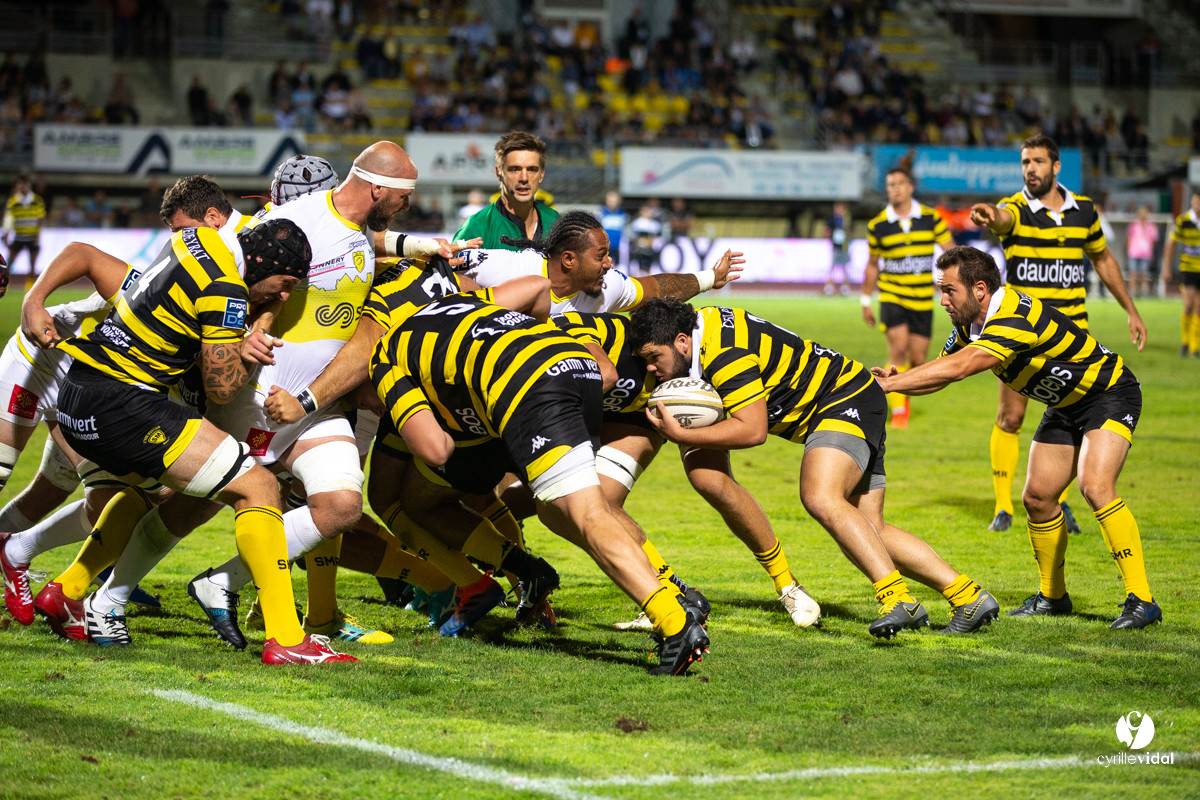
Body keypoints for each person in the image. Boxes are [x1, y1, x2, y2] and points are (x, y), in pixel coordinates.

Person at [15, 213, 358, 663]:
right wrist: (249, 343)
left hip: (80, 391)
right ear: (268, 267)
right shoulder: (227, 290)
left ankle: (68, 591)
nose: (284, 294)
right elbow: (223, 386)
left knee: (155, 492)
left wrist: (34, 298)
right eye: (285, 283)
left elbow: (111, 271)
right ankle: (287, 639)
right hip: (125, 403)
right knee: (259, 486)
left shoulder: (196, 240)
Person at [186, 142, 480, 650]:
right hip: (256, 396)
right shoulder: (290, 223)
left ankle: (229, 586)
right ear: (378, 188)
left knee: (341, 504)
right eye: (404, 194)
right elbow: (228, 280)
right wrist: (238, 334)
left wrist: (420, 247)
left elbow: (369, 242)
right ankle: (93, 588)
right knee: (182, 505)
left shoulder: (358, 230)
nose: (408, 203)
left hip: (316, 402)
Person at [371, 293, 711, 675]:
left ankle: (675, 621)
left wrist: (417, 416)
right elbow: (532, 289)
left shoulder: (384, 354)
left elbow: (435, 450)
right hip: (574, 369)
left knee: (588, 515)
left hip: (528, 388)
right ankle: (659, 596)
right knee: (555, 511)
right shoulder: (454, 301)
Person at [628, 297, 1000, 638]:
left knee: (820, 496)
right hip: (851, 394)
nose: (650, 367)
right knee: (872, 530)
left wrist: (679, 433)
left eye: (653, 357)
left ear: (681, 341)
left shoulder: (724, 351)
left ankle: (897, 599)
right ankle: (968, 596)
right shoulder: (703, 332)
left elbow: (753, 430)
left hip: (842, 398)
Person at [874, 246, 1160, 630]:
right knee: (1038, 498)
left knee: (1095, 485)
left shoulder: (1015, 317)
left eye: (948, 291)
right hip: (1065, 404)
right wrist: (897, 381)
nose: (942, 300)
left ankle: (1142, 600)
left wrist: (892, 387)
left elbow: (961, 368)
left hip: (1108, 393)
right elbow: (942, 369)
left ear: (979, 289)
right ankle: (1053, 597)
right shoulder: (969, 323)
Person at [553, 310, 817, 631]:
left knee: (710, 481)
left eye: (653, 357)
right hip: (632, 411)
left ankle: (788, 586)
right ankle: (671, 594)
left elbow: (648, 291)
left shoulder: (573, 323)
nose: (648, 364)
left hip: (676, 400)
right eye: (644, 357)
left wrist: (708, 277)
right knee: (596, 504)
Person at [969, 134, 1146, 533]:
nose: (1030, 169)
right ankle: (1003, 508)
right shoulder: (1015, 208)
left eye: (1037, 161)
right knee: (1011, 417)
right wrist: (988, 215)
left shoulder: (1083, 210)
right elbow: (1001, 217)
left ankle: (1060, 503)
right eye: (1024, 162)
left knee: (1071, 418)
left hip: (1072, 343)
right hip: (1018, 339)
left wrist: (1131, 310)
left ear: (1056, 166)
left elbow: (1102, 258)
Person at [457, 209, 743, 315]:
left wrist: (708, 279)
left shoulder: (608, 287)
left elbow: (656, 287)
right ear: (568, 259)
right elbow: (441, 267)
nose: (609, 263)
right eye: (601, 255)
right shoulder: (506, 267)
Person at [861, 167, 954, 429]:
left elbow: (952, 250)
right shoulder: (877, 225)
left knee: (919, 358)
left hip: (922, 299)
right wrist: (866, 300)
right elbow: (872, 264)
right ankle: (899, 410)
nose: (895, 189)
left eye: (900, 183)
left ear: (910, 187)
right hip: (892, 295)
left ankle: (903, 390)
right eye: (890, 184)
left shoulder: (931, 218)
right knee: (898, 348)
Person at [453, 131, 558, 248]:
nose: (524, 178)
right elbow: (450, 264)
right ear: (498, 173)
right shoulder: (477, 227)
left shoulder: (556, 223)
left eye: (532, 170)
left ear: (542, 174)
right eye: (515, 169)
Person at [1160, 189, 1200, 357]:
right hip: (1188, 269)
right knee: (1188, 305)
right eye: (1195, 202)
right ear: (1191, 202)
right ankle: (1185, 342)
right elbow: (1171, 244)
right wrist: (1167, 267)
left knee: (1199, 308)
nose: (1197, 205)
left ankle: (1194, 348)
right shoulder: (1183, 220)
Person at [3, 173, 46, 287]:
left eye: (23, 184)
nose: (21, 187)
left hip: (32, 236)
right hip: (19, 236)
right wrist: (6, 233)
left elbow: (40, 219)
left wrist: (37, 235)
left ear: (28, 185)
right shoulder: (13, 201)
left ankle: (29, 286)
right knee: (10, 261)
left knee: (32, 263)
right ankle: (4, 284)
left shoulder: (37, 200)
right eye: (19, 185)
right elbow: (9, 218)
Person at [1124, 206, 1157, 299]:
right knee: (1133, 273)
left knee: (1143, 274)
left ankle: (1142, 291)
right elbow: (1128, 238)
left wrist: (1151, 251)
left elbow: (1153, 240)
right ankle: (1132, 291)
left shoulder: (1151, 226)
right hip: (1134, 252)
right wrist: (1128, 249)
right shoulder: (1134, 225)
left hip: (1145, 253)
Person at [824, 202, 851, 296]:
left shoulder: (846, 219)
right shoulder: (831, 219)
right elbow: (826, 230)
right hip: (835, 246)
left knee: (844, 267)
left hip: (844, 246)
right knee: (833, 267)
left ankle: (845, 287)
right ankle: (829, 287)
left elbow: (851, 231)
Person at [598, 190, 627, 268]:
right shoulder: (601, 213)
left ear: (619, 201)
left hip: (618, 247)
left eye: (614, 201)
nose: (612, 203)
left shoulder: (623, 214)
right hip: (605, 246)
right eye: (610, 201)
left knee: (618, 267)